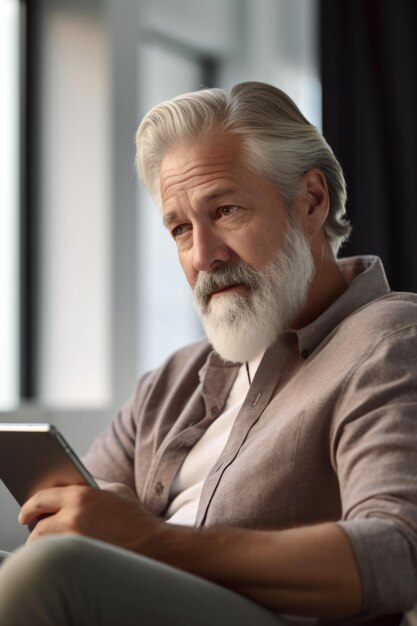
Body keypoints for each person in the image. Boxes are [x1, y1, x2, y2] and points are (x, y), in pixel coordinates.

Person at [0, 81, 416, 626]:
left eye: (225, 210)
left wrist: (150, 540)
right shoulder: (172, 380)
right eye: (179, 228)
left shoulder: (390, 341)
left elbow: (396, 555)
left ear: (311, 200)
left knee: (48, 573)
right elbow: (88, 522)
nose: (203, 255)